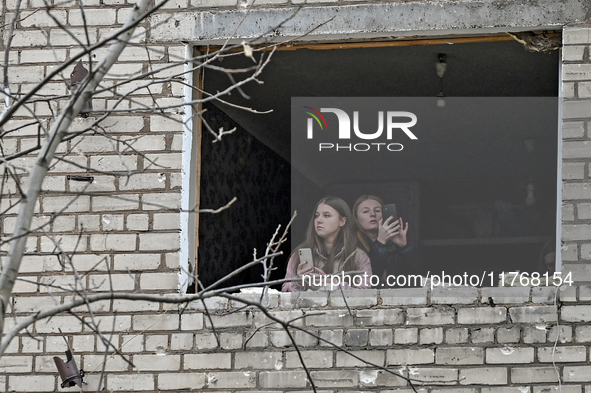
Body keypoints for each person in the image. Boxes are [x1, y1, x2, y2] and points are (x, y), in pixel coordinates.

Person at [282, 197, 372, 292]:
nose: (318, 220)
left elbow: (365, 293)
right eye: (317, 215)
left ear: (342, 221)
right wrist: (298, 282)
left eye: (326, 215)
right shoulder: (298, 255)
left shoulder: (358, 256)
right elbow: (284, 293)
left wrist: (333, 283)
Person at [353, 195, 423, 287]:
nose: (373, 214)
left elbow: (417, 274)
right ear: (356, 218)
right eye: (366, 211)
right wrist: (381, 242)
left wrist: (405, 247)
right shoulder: (352, 245)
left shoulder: (393, 244)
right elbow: (371, 279)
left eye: (377, 210)